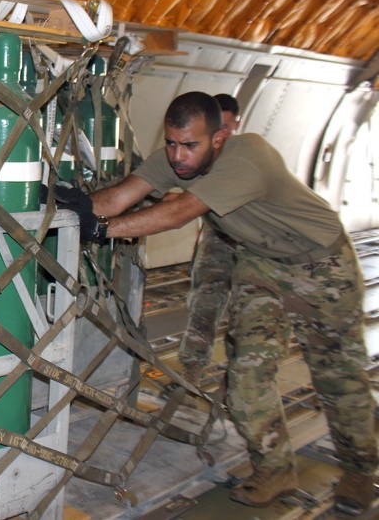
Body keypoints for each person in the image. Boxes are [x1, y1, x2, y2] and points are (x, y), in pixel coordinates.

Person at [55, 91, 377, 512]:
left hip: (322, 264)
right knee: (246, 375)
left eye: (190, 145)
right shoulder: (173, 158)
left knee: (337, 377)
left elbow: (179, 212)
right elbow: (120, 196)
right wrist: (66, 208)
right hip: (263, 265)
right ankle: (275, 467)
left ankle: (360, 469)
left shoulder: (247, 158)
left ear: (220, 138)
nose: (178, 156)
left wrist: (99, 230)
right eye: (172, 142)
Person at [178, 93, 242, 386]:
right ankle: (191, 374)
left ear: (235, 125)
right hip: (217, 236)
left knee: (248, 312)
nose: (222, 134)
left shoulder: (245, 158)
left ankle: (240, 379)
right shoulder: (195, 154)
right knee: (205, 300)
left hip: (250, 243)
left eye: (227, 127)